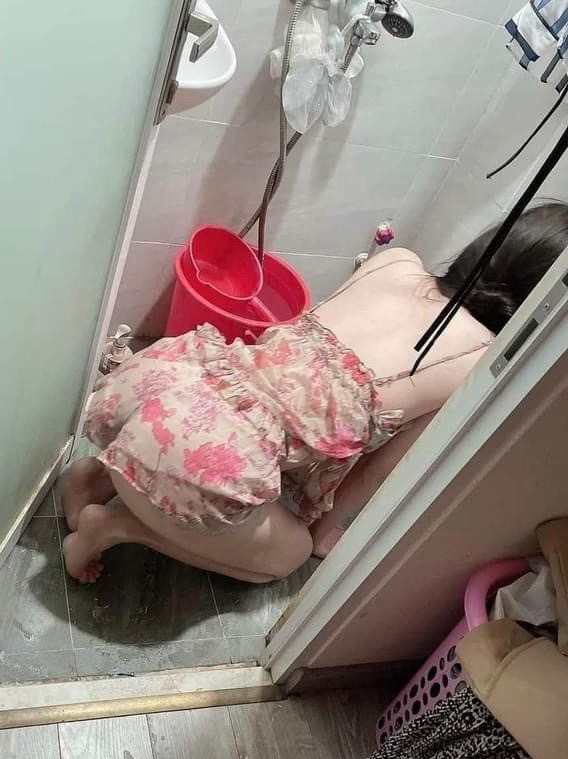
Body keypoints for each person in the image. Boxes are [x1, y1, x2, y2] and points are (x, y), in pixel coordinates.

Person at [62, 202, 568, 584]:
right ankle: (116, 528)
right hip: (198, 458)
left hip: (160, 383)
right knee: (288, 557)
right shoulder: (479, 363)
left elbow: (304, 358)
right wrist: (324, 534)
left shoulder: (397, 261)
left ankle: (94, 475)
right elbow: (377, 469)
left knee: (226, 431)